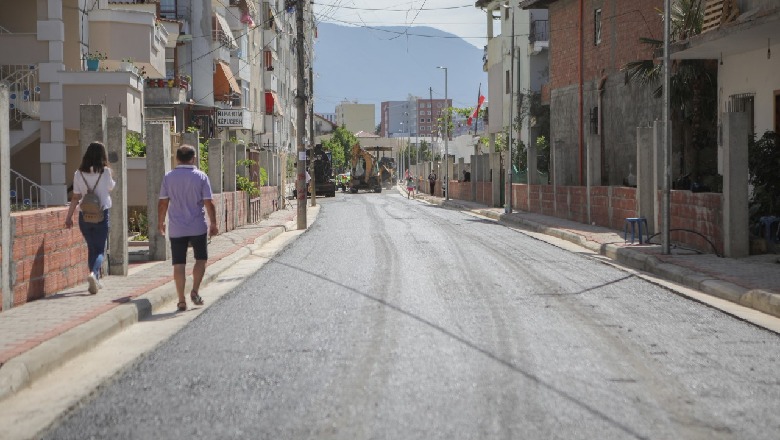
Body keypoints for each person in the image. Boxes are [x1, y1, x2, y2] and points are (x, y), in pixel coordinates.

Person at [158, 144, 219, 312]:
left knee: (179, 264)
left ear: (177, 158)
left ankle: (181, 300)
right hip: (197, 226)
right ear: (194, 158)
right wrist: (213, 223)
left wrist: (161, 222)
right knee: (201, 259)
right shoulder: (200, 177)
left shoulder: (168, 177)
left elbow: (163, 202)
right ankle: (195, 291)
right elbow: (209, 202)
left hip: (177, 228)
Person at [65, 141, 116, 294]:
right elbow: (111, 187)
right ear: (103, 155)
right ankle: (94, 274)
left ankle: (96, 280)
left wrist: (68, 217)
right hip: (101, 214)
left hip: (84, 215)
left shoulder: (78, 173)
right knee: (100, 250)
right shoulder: (105, 172)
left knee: (91, 248)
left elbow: (75, 197)